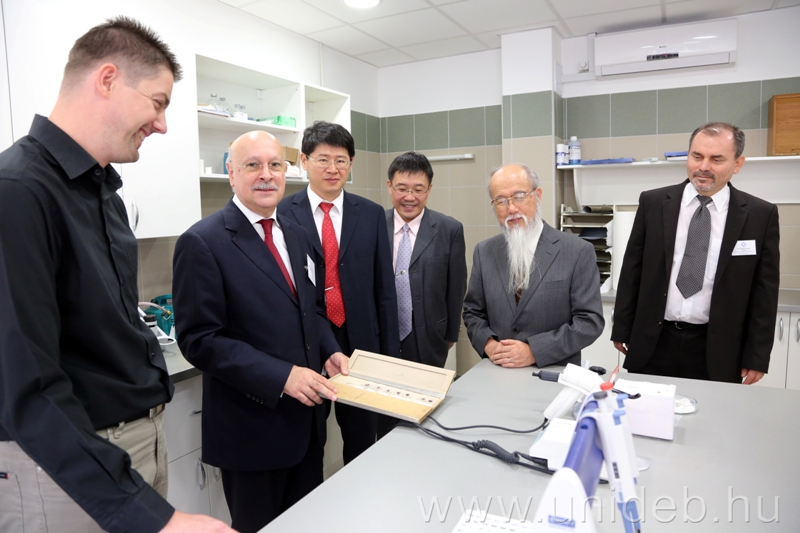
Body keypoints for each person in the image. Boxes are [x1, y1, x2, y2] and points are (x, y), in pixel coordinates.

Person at [0, 16, 232, 533]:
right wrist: (152, 517)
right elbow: (27, 387)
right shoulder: (17, 191)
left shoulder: (104, 192)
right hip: (67, 466)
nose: (163, 124)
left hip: (137, 443)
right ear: (107, 79)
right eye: (158, 102)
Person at [172, 131, 349, 532]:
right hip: (252, 432)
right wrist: (282, 376)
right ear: (231, 173)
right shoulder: (203, 242)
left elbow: (311, 308)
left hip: (307, 426)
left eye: (275, 165)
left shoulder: (296, 233)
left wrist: (329, 349)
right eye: (253, 165)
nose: (266, 175)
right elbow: (200, 340)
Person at [611, 122, 780, 384]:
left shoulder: (760, 215)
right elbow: (632, 270)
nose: (703, 167)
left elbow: (764, 293)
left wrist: (757, 356)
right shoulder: (653, 203)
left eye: (716, 159)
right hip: (654, 341)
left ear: (737, 164)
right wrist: (622, 328)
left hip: (718, 349)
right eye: (697, 156)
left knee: (713, 411)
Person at [279, 121, 399, 464]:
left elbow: (384, 289)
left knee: (362, 439)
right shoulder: (283, 212)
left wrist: (389, 356)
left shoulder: (371, 214)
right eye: (323, 159)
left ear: (351, 164)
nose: (333, 169)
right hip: (306, 342)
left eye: (341, 160)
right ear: (304, 161)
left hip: (361, 340)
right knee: (308, 440)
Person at [463, 164, 604, 368]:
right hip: (498, 371)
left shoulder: (577, 251)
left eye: (519, 196)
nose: (511, 209)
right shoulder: (484, 252)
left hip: (553, 371)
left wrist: (534, 351)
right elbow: (473, 312)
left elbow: (589, 322)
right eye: (501, 201)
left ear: (537, 196)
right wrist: (489, 344)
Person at [377, 151, 467, 438]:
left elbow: (456, 286)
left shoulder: (449, 229)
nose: (409, 197)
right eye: (402, 188)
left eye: (418, 189)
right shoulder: (373, 224)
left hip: (428, 338)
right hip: (382, 338)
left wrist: (449, 335)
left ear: (429, 189)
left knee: (424, 415)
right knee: (384, 413)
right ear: (389, 186)